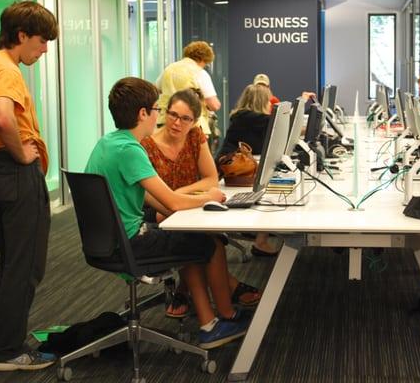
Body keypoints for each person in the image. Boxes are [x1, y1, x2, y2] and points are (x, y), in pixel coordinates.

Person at [85, 77, 250, 349]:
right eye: (157, 110)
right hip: (129, 245)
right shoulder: (131, 150)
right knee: (209, 245)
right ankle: (218, 321)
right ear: (142, 114)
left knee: (186, 238)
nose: (158, 117)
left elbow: (151, 196)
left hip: (108, 241)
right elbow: (172, 202)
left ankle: (212, 321)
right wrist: (207, 197)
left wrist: (174, 210)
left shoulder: (109, 143)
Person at [0, 1, 58, 372]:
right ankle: (9, 352)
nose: (45, 49)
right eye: (42, 41)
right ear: (22, 35)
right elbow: (1, 116)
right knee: (24, 265)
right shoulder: (7, 69)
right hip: (12, 170)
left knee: (10, 261)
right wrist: (22, 154)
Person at [141, 88, 262, 317]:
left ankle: (186, 291)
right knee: (207, 239)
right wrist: (177, 196)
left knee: (202, 234)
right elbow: (155, 198)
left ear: (194, 121)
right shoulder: (147, 145)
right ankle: (229, 294)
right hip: (156, 211)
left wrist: (177, 193)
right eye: (173, 115)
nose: (177, 123)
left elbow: (211, 179)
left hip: (185, 204)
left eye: (185, 118)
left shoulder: (195, 136)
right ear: (166, 113)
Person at [217, 84, 283, 256]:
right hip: (233, 171)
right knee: (269, 191)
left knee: (270, 185)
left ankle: (261, 236)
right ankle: (261, 241)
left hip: (238, 168)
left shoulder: (244, 117)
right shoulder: (247, 118)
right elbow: (278, 123)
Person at [156, 41, 221, 137]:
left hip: (166, 120)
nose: (204, 66)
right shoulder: (199, 73)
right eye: (205, 63)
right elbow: (214, 105)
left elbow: (157, 88)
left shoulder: (169, 69)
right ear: (202, 59)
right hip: (190, 125)